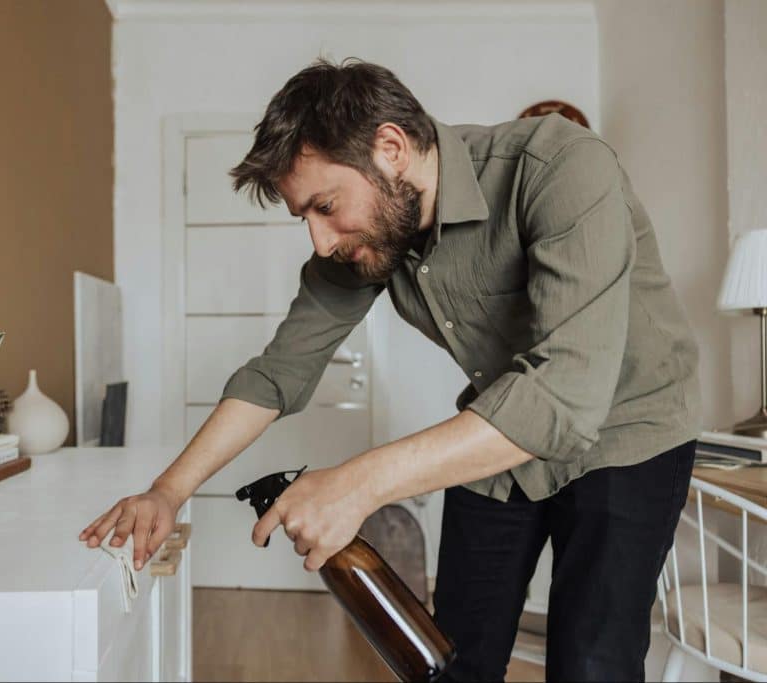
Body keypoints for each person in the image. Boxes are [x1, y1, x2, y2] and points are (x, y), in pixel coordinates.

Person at [80, 59, 700, 681]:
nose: (320, 241)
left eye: (325, 205)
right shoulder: (367, 243)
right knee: (446, 659)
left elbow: (563, 396)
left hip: (628, 434)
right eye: (306, 218)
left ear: (391, 148)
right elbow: (276, 373)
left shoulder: (560, 166)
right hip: (499, 437)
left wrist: (359, 484)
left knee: (593, 665)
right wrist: (167, 491)